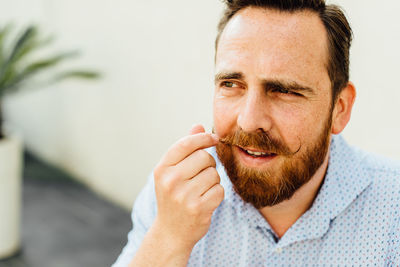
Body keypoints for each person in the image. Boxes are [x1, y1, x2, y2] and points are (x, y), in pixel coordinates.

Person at [113, 0, 400, 266]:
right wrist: (169, 238)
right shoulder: (175, 195)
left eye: (284, 90)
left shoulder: (393, 212)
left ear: (340, 108)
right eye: (231, 84)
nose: (249, 121)